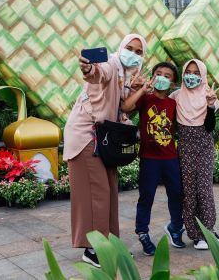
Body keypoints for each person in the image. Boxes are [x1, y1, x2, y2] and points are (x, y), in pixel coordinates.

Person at [63, 34, 147, 268]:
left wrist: (134, 90)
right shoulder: (111, 63)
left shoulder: (125, 76)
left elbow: (121, 108)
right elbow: (99, 73)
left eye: (139, 52)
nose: (133, 53)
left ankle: (111, 245)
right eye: (129, 48)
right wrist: (89, 68)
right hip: (85, 136)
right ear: (121, 48)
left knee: (109, 191)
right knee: (96, 193)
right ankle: (93, 249)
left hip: (103, 139)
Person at [121, 62, 186, 255]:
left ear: (173, 82)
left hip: (170, 158)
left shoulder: (173, 103)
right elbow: (126, 107)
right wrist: (141, 89)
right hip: (149, 158)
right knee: (146, 197)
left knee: (176, 194)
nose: (162, 78)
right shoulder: (145, 99)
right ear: (152, 76)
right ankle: (143, 232)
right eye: (159, 74)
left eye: (167, 76)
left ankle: (175, 227)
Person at [170, 59, 219, 250]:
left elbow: (210, 127)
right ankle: (195, 235)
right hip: (185, 149)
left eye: (196, 72)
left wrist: (209, 105)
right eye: (188, 72)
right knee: (189, 192)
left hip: (204, 147)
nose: (191, 76)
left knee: (204, 190)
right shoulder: (175, 96)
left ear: (203, 75)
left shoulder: (210, 95)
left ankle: (209, 230)